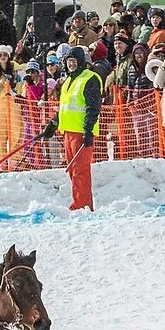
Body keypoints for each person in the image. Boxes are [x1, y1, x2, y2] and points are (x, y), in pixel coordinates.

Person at [40, 46, 102, 211]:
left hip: (81, 132)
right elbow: (65, 107)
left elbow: (93, 107)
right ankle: (81, 202)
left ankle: (81, 205)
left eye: (74, 61)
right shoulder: (68, 81)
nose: (71, 65)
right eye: (68, 62)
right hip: (67, 131)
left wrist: (88, 130)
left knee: (80, 170)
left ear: (81, 62)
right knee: (72, 170)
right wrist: (53, 124)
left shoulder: (90, 78)